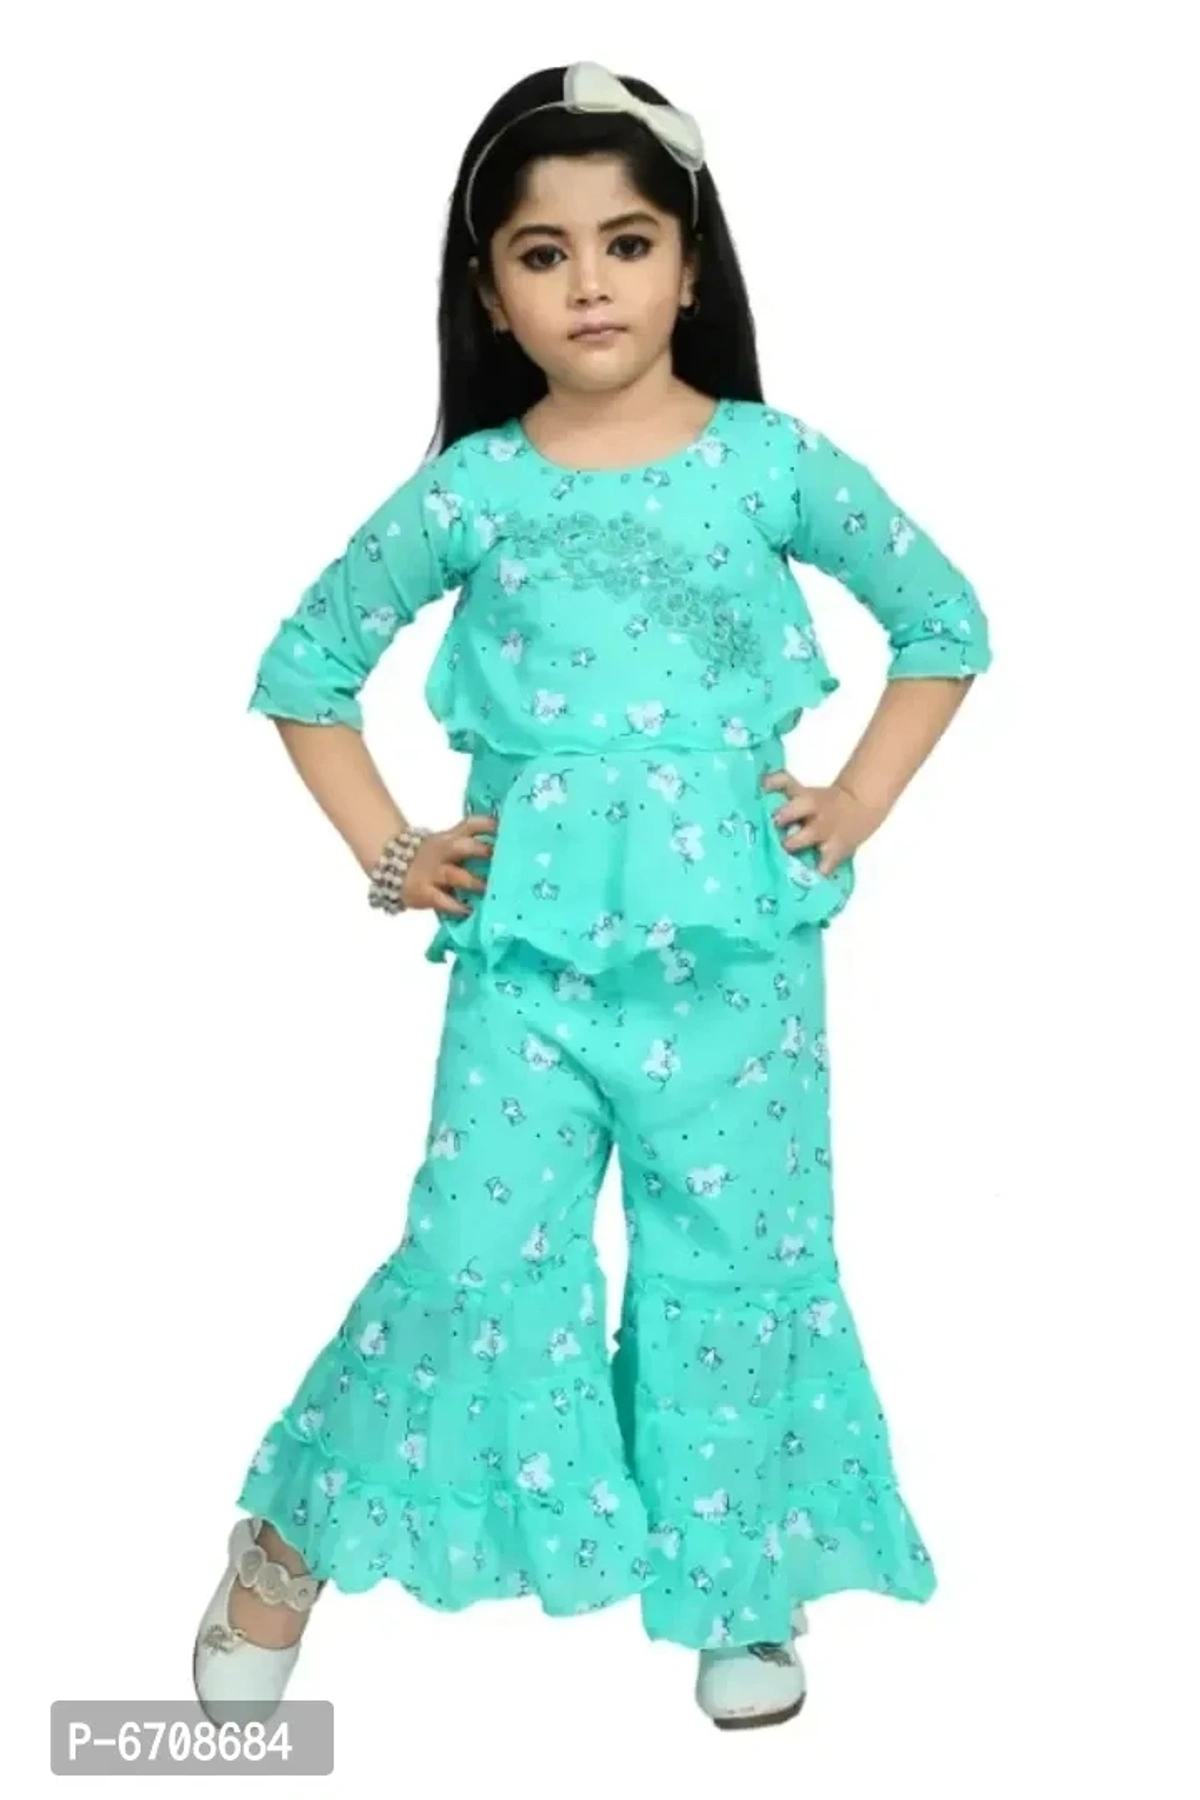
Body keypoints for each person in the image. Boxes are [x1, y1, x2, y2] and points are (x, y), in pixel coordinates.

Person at [192, 60, 992, 1733]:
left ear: (690, 266)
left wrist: (855, 801)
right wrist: (394, 850)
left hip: (740, 967)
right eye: (543, 254)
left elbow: (945, 623)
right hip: (530, 970)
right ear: (491, 292)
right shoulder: (474, 490)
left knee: (739, 1261)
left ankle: (739, 1581)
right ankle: (291, 1538)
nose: (591, 283)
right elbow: (305, 668)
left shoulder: (772, 463)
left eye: (627, 243)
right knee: (473, 1252)